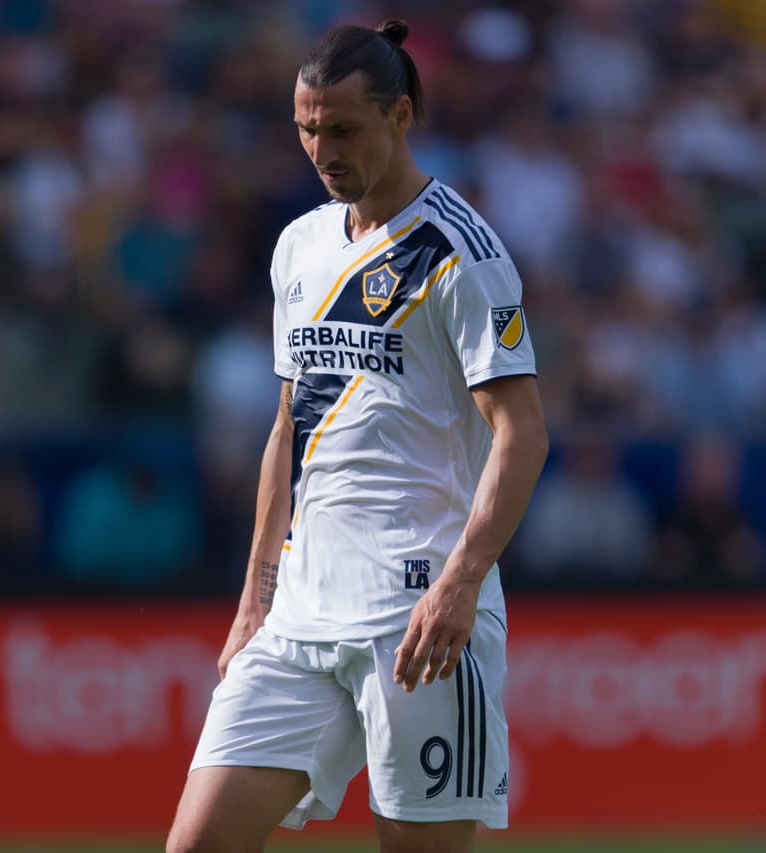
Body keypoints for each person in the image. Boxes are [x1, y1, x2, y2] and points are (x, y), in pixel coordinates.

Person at [167, 21, 548, 853]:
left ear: (401, 116)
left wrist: (461, 581)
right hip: (302, 610)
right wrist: (254, 599)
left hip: (416, 614)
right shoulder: (299, 244)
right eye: (306, 128)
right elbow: (287, 428)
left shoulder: (461, 253)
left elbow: (522, 434)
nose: (320, 149)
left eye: (341, 128)